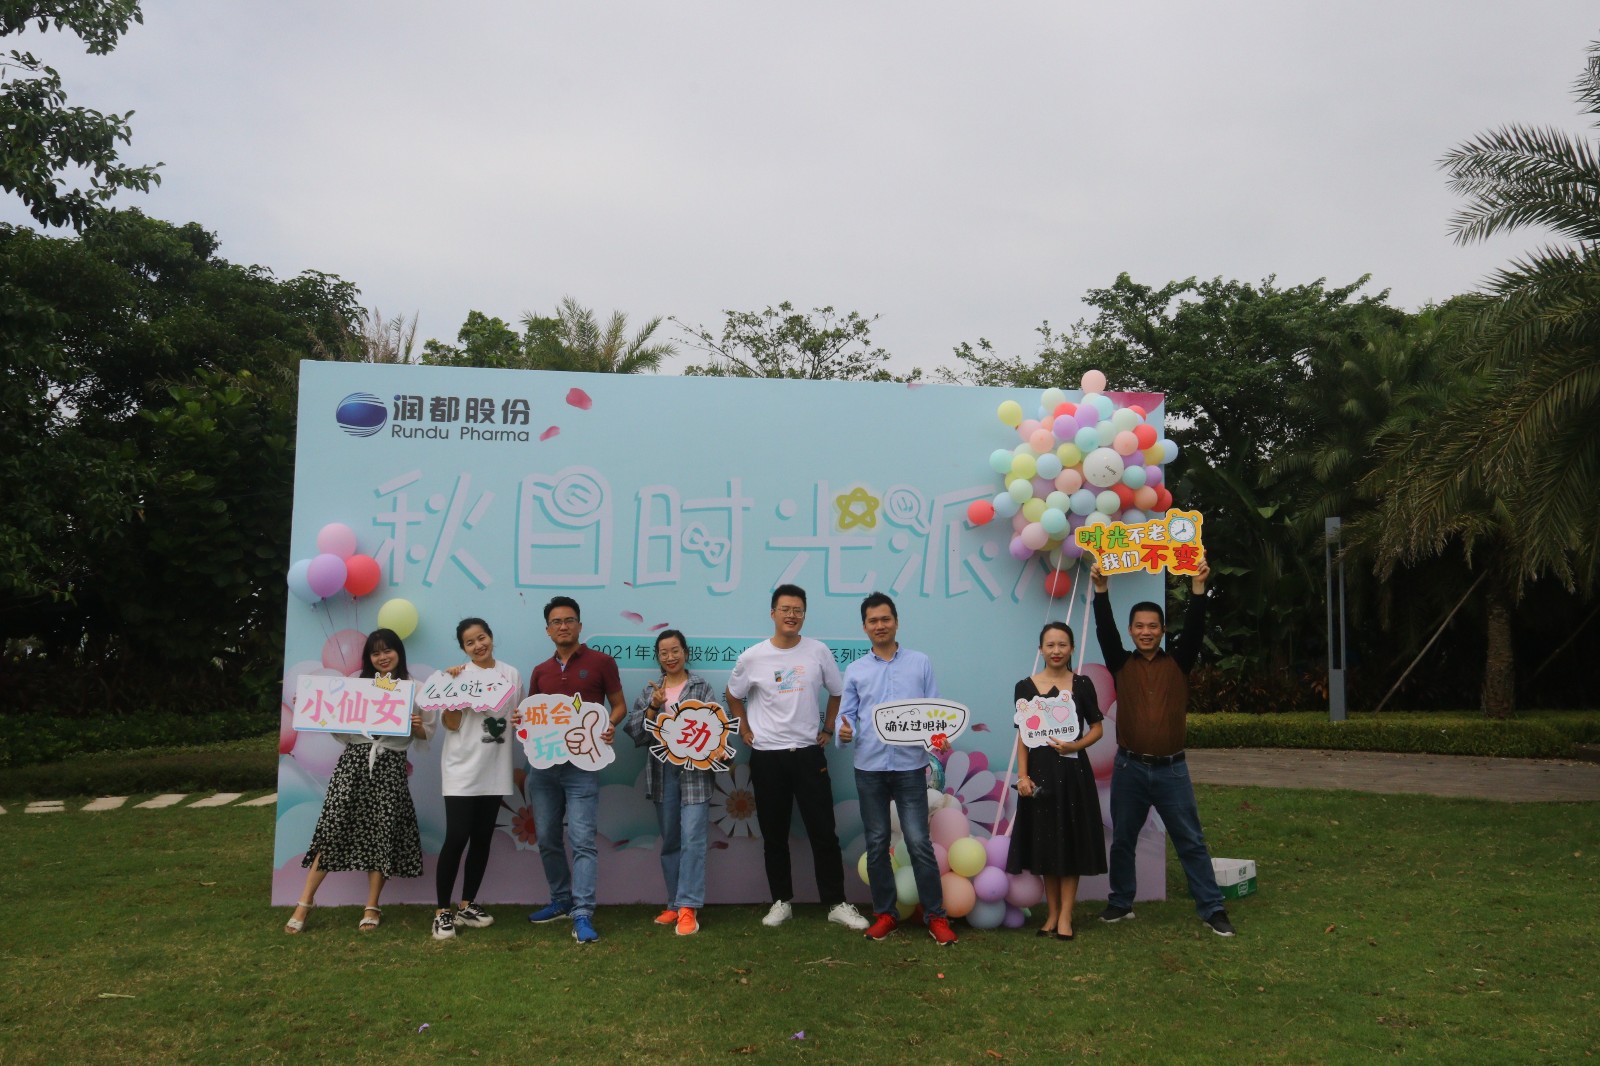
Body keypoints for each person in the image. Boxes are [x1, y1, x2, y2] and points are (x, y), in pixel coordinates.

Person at [1090, 558, 1235, 936]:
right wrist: (1101, 591)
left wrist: (1198, 589)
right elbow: (1105, 631)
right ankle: (1121, 903)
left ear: (1162, 630)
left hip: (1172, 770)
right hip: (1129, 768)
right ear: (1131, 630)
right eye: (1139, 626)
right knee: (1123, 839)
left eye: (1153, 626)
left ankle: (1212, 909)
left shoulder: (1179, 663)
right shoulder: (1121, 663)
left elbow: (1195, 629)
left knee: (1191, 841)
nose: (1146, 632)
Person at [726, 584, 868, 931]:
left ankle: (836, 903)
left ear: (804, 614)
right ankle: (781, 902)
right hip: (767, 756)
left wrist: (829, 727)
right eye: (785, 609)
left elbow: (837, 692)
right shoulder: (753, 657)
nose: (792, 615)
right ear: (773, 613)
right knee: (774, 835)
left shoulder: (818, 651)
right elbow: (732, 694)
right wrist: (744, 727)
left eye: (798, 610)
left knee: (824, 832)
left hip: (807, 754)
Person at [284, 628, 429, 934]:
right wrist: (312, 705)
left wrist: (418, 726)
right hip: (353, 763)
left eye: (388, 650)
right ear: (368, 658)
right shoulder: (356, 687)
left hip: (390, 765)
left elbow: (425, 735)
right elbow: (339, 727)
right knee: (333, 828)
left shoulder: (414, 688)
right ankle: (305, 901)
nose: (383, 657)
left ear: (399, 652)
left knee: (382, 831)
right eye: (376, 653)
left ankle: (372, 905)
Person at [837, 592, 958, 946]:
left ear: (896, 621)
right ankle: (886, 914)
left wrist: (939, 737)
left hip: (910, 767)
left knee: (919, 842)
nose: (880, 625)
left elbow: (933, 712)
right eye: (873, 621)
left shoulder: (920, 663)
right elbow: (847, 716)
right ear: (864, 627)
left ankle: (936, 916)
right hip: (869, 768)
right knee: (876, 843)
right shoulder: (856, 670)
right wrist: (845, 731)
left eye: (885, 619)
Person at [524, 596, 625, 944]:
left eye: (569, 620)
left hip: (583, 767)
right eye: (556, 622)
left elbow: (619, 705)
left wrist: (609, 725)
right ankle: (561, 900)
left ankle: (582, 912)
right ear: (548, 630)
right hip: (543, 768)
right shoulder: (540, 671)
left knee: (582, 840)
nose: (563, 626)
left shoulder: (601, 662)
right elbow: (532, 716)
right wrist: (521, 722)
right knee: (547, 837)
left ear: (580, 625)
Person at [1005, 622, 1107, 940]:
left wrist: (1074, 746)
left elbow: (1097, 728)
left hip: (1073, 775)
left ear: (1072, 648)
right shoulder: (1025, 687)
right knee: (1046, 843)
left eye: (1062, 644)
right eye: (1050, 645)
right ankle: (1051, 914)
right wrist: (1023, 776)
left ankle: (1065, 916)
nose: (1056, 650)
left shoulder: (1082, 684)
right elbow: (1023, 737)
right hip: (1039, 776)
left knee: (1071, 843)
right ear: (1040, 650)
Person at [623, 629, 721, 936]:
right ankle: (674, 903)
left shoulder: (701, 687)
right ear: (658, 657)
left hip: (695, 773)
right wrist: (654, 706)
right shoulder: (651, 690)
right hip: (662, 773)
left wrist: (719, 747)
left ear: (685, 653)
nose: (670, 657)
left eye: (675, 650)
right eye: (664, 653)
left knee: (693, 838)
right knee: (671, 841)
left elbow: (717, 727)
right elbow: (635, 733)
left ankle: (688, 907)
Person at [433, 617, 520, 941]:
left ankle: (467, 905)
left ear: (491, 637)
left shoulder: (511, 674)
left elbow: (517, 715)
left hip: (495, 767)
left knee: (482, 838)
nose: (478, 645)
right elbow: (451, 724)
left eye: (481, 638)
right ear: (464, 648)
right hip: (461, 768)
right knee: (457, 837)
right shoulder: (455, 677)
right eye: (470, 642)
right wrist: (454, 693)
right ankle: (442, 912)